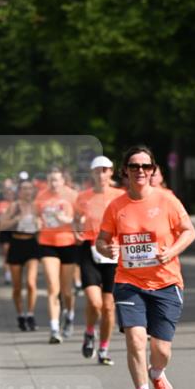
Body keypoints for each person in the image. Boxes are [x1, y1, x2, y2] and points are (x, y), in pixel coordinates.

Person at [95, 145, 195, 389]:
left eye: (146, 167)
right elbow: (101, 239)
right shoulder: (116, 206)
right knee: (136, 339)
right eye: (134, 166)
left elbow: (189, 231)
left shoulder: (167, 201)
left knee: (161, 349)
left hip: (166, 282)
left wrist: (172, 251)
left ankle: (157, 373)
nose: (140, 171)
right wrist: (107, 250)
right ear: (125, 171)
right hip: (129, 281)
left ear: (153, 171)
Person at [74, 155, 124, 365]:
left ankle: (103, 349)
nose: (101, 174)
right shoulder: (83, 197)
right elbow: (75, 222)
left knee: (109, 307)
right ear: (92, 174)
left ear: (111, 172)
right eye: (97, 171)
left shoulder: (121, 195)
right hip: (90, 249)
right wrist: (76, 231)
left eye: (105, 170)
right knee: (94, 303)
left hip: (113, 251)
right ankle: (88, 332)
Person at [36, 168, 78, 343]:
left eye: (57, 180)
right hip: (47, 243)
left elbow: (81, 218)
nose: (53, 184)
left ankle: (69, 315)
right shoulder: (41, 197)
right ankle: (54, 329)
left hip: (68, 243)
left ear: (63, 181)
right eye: (51, 180)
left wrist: (67, 220)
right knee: (53, 287)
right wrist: (36, 223)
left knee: (67, 291)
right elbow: (36, 216)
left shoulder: (73, 196)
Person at [5, 180, 40, 331]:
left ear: (33, 191)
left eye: (29, 188)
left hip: (31, 244)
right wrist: (15, 219)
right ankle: (20, 315)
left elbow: (43, 224)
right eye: (24, 188)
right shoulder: (14, 206)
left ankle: (30, 314)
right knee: (17, 286)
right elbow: (3, 225)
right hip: (16, 244)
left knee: (31, 283)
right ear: (19, 191)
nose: (27, 191)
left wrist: (39, 223)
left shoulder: (36, 206)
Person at [0, 185, 16, 283]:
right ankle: (7, 274)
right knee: (6, 253)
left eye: (11, 194)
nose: (9, 195)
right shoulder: (1, 204)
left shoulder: (18, 204)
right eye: (8, 194)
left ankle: (14, 273)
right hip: (5, 232)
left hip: (16, 232)